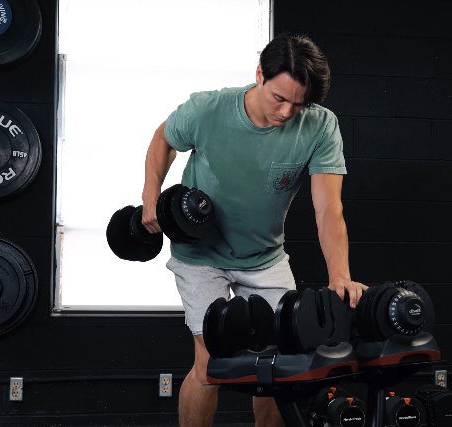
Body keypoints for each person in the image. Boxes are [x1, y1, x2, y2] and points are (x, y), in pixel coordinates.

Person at [140, 33, 367, 427]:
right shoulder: (209, 108)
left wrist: (340, 275)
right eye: (279, 98)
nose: (287, 113)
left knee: (282, 363)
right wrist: (149, 195)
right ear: (260, 74)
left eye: (299, 104)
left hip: (265, 257)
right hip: (200, 254)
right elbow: (164, 138)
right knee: (212, 360)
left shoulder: (319, 126)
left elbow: (329, 207)